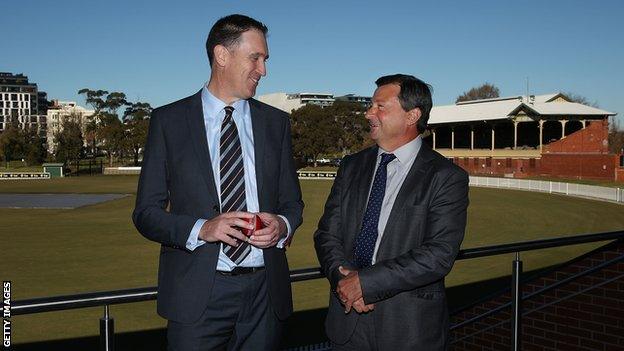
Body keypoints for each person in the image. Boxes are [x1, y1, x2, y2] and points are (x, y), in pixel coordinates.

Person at [133, 14, 304, 350]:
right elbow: (145, 213)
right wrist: (202, 229)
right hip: (198, 295)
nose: (263, 70)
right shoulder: (168, 121)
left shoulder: (276, 123)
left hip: (265, 296)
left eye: (265, 59)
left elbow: (292, 203)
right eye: (255, 58)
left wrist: (282, 225)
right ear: (221, 55)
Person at [314, 74, 469, 350]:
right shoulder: (351, 166)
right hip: (347, 323)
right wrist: (343, 281)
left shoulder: (446, 177)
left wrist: (365, 283)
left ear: (412, 116)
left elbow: (439, 254)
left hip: (409, 330)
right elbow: (327, 234)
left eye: (379, 106)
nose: (368, 113)